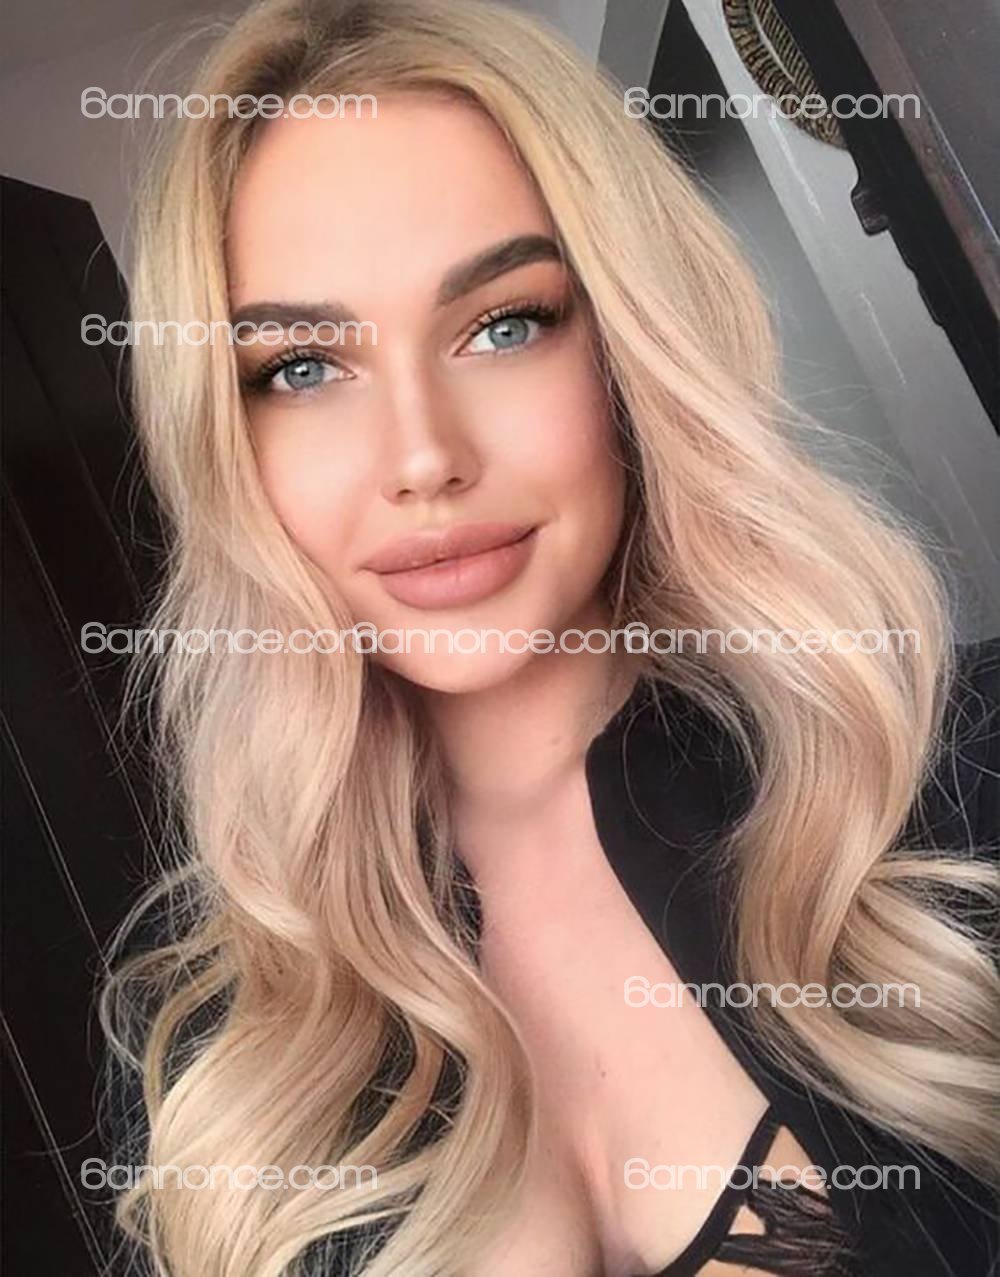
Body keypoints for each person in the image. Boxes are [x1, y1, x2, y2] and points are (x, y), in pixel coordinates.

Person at [99, 1, 1000, 1274]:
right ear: (222, 438)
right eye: (300, 366)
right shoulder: (222, 1038)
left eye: (503, 324)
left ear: (627, 349)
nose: (423, 456)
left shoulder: (943, 795)